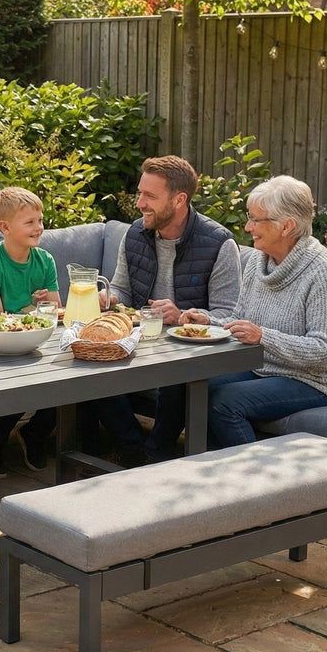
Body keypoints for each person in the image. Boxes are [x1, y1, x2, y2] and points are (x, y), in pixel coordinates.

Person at [81, 155, 241, 464]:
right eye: (140, 193)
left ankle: (156, 454)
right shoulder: (135, 234)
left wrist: (182, 316)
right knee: (91, 361)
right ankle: (133, 449)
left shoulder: (219, 244)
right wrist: (107, 297)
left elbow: (229, 315)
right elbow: (122, 289)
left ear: (179, 199)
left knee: (178, 378)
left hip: (190, 353)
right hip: (142, 342)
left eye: (150, 196)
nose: (139, 203)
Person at [185, 175, 327, 448]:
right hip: (263, 368)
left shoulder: (323, 271)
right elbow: (241, 320)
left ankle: (256, 473)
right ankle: (211, 465)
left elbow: (323, 348)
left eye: (255, 220)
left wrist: (263, 337)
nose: (247, 227)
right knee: (196, 386)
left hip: (316, 380)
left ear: (287, 226)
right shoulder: (258, 261)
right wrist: (207, 320)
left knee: (224, 403)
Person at [0, 186, 61, 477]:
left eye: (40, 220)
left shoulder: (45, 260)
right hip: (2, 348)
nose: (39, 227)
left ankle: (35, 432)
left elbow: (55, 310)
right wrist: (33, 309)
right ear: (5, 227)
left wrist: (43, 306)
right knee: (19, 382)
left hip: (40, 341)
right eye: (30, 222)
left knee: (69, 376)